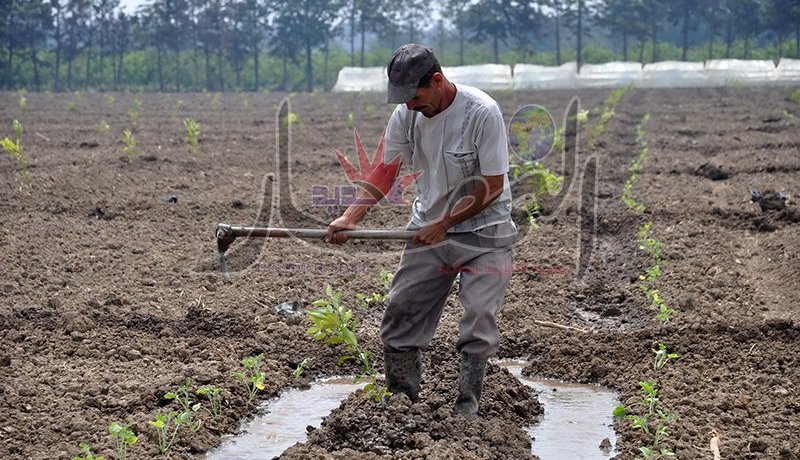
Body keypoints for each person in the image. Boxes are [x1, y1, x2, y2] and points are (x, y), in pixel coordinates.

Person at [324, 44, 515, 415]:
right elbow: (385, 169)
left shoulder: (481, 112)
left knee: (478, 315)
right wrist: (351, 217)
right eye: (402, 98)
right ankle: (401, 402)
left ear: (438, 81)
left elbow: (492, 184)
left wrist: (446, 224)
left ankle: (467, 406)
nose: (409, 104)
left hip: (486, 233)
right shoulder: (406, 114)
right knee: (401, 311)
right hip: (429, 224)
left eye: (415, 95)